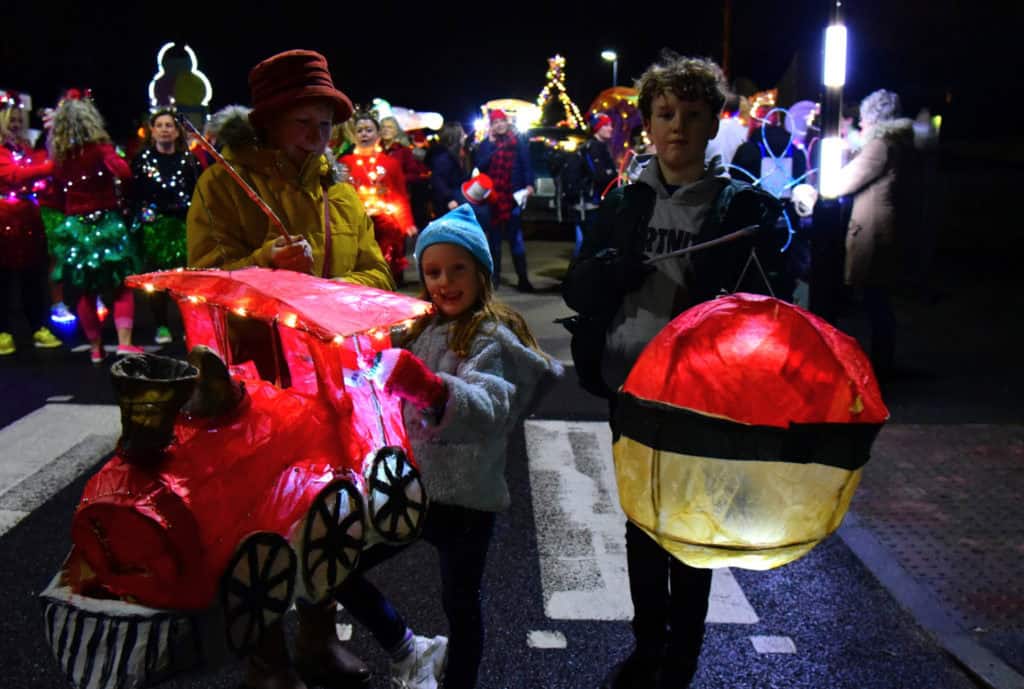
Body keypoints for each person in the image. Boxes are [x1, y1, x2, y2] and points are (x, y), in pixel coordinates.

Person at [562, 52, 782, 689]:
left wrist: (781, 242)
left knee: (688, 532)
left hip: (698, 396)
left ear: (713, 124)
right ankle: (646, 645)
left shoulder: (739, 208)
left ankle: (680, 658)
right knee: (639, 522)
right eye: (665, 114)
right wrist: (605, 273)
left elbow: (767, 305)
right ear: (648, 126)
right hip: (629, 388)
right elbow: (579, 289)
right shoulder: (625, 202)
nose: (677, 127)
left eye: (691, 115)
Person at [186, 49, 393, 689]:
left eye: (326, 124)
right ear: (270, 123)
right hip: (255, 375)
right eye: (305, 123)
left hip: (328, 375)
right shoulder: (225, 183)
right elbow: (203, 278)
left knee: (329, 511)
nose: (319, 138)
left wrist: (326, 287)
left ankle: (316, 635)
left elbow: (378, 275)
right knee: (259, 519)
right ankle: (264, 656)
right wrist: (264, 262)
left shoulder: (339, 191)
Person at [334, 204, 562, 689]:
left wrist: (433, 390)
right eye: (433, 270)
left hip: (465, 499)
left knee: (460, 603)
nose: (444, 281)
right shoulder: (419, 327)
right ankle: (404, 646)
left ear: (482, 273)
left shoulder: (490, 338)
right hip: (410, 490)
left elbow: (490, 404)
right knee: (340, 568)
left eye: (458, 268)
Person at [828, 88, 917, 378]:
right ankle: (882, 361)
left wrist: (825, 182)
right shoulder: (893, 143)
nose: (861, 123)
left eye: (865, 118)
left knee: (874, 300)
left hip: (874, 232)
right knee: (877, 300)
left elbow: (845, 181)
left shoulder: (881, 146)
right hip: (884, 228)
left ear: (876, 118)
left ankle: (879, 366)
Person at [48, 96, 140, 364]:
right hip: (107, 224)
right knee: (121, 285)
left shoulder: (61, 156)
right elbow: (123, 172)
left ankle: (95, 347)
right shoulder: (101, 150)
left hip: (76, 227)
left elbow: (54, 190)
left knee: (84, 289)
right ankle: (125, 344)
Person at [129, 109, 200, 344]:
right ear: (152, 130)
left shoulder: (189, 161)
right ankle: (161, 325)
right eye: (159, 125)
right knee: (156, 283)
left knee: (185, 283)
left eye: (169, 125)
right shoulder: (141, 161)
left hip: (182, 227)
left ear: (177, 130)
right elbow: (134, 194)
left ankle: (188, 325)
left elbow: (197, 192)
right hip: (154, 229)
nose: (164, 129)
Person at [0, 96, 62, 355]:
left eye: (18, 120)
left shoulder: (27, 148)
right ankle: (3, 332)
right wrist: (48, 168)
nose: (14, 124)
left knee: (34, 277)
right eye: (10, 120)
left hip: (29, 219)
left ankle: (39, 326)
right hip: (3, 219)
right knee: (2, 279)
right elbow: (12, 175)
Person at [339, 110, 417, 284]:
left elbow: (400, 195)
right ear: (354, 134)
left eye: (369, 130)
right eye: (360, 130)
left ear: (378, 134)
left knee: (385, 266)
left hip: (385, 224)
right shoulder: (345, 163)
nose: (364, 134)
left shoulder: (391, 163)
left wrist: (407, 223)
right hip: (354, 224)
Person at [472, 109, 535, 291]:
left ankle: (523, 279)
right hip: (492, 199)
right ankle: (494, 279)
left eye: (502, 121)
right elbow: (480, 166)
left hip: (513, 197)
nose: (499, 125)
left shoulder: (518, 142)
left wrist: (529, 184)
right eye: (495, 122)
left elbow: (527, 165)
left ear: (507, 122)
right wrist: (491, 146)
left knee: (516, 240)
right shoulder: (486, 145)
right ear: (491, 126)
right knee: (494, 243)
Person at [380, 115, 431, 227]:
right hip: (378, 197)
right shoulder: (376, 149)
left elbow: (414, 174)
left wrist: (398, 179)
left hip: (398, 198)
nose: (386, 130)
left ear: (396, 130)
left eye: (390, 127)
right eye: (383, 127)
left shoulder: (403, 151)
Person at [427, 121, 470, 213]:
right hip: (449, 204)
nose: (464, 136)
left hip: (457, 198)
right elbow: (437, 179)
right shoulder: (443, 157)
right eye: (462, 134)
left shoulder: (459, 154)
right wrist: (449, 199)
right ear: (454, 138)